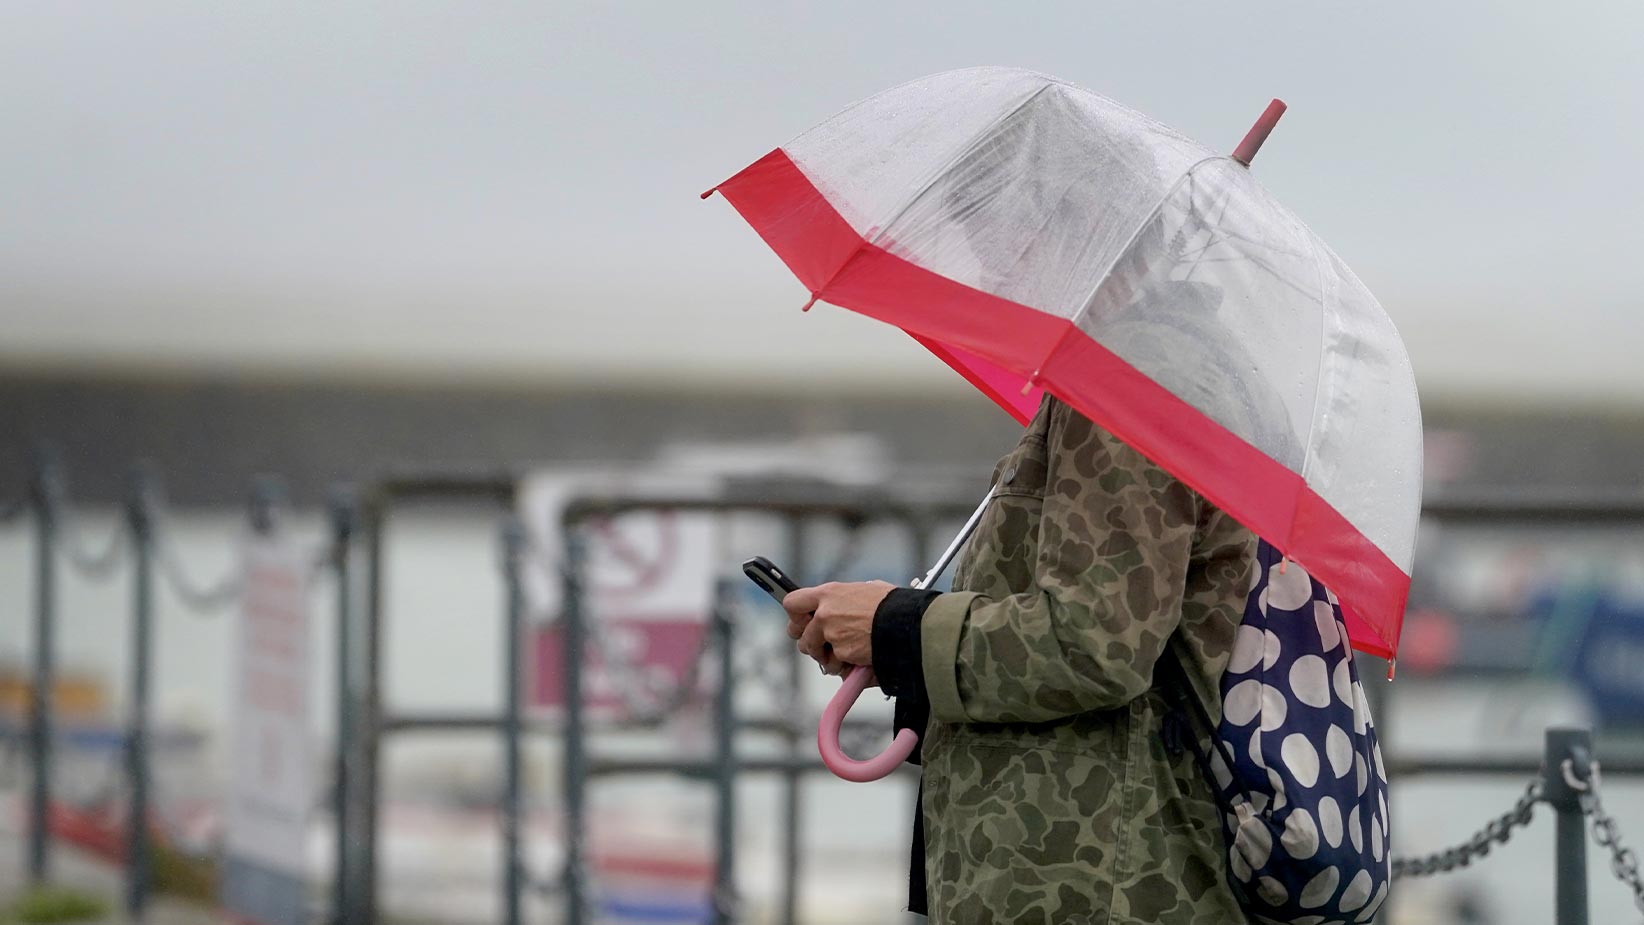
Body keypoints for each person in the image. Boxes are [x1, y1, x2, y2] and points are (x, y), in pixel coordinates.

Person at [782, 391, 1259, 925]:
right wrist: (894, 635)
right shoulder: (1134, 382)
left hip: (1088, 872)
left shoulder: (1125, 389)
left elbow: (1097, 644)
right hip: (1076, 862)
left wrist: (898, 627)